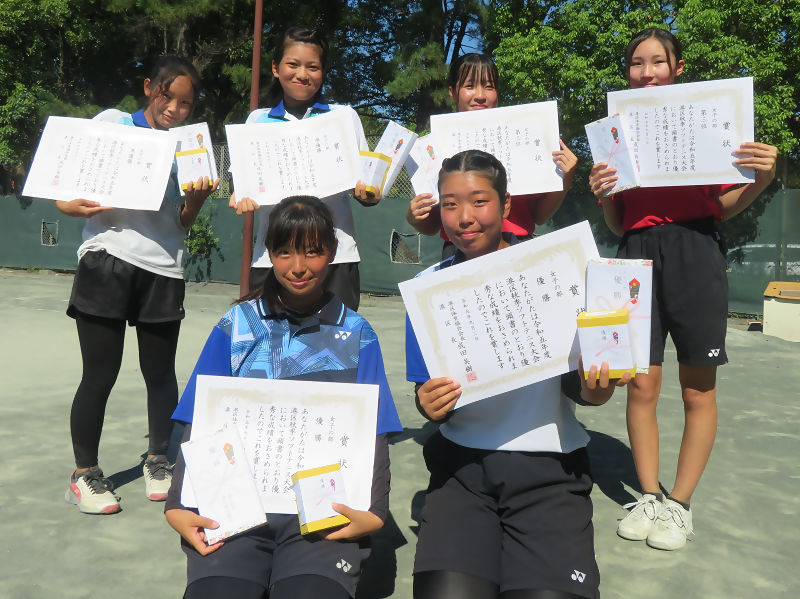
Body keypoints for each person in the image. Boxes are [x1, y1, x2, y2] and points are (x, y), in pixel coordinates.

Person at [407, 149, 631, 599]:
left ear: (507, 205)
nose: (463, 217)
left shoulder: (554, 270)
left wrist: (596, 388)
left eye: (479, 201)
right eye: (449, 204)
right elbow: (427, 391)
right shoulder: (429, 289)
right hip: (460, 472)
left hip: (550, 472)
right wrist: (426, 403)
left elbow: (581, 385)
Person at [588, 27, 778, 551]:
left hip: (696, 251)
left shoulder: (710, 121)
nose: (645, 72)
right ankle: (647, 496)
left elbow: (725, 204)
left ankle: (680, 504)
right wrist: (603, 191)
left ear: (678, 67)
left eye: (657, 62)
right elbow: (618, 218)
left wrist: (761, 178)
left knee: (697, 388)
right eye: (635, 63)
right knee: (641, 384)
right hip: (636, 254)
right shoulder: (614, 134)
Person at [165, 196, 403, 599]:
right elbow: (199, 421)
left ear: (332, 253)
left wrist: (376, 512)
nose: (297, 266)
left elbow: (372, 432)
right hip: (234, 510)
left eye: (313, 251)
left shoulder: (359, 334)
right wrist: (177, 503)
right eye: (284, 251)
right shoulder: (237, 325)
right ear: (269, 254)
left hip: (323, 517)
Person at [56, 56, 220, 515]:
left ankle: (158, 459)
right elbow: (63, 191)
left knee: (160, 374)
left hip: (163, 268)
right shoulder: (112, 124)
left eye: (186, 103)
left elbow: (182, 222)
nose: (175, 108)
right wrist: (77, 208)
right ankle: (84, 473)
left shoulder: (190, 147)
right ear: (150, 87)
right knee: (100, 374)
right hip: (107, 260)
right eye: (168, 96)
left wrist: (199, 199)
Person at [231, 26, 380, 311]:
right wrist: (241, 196)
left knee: (335, 349)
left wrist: (368, 194)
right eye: (293, 64)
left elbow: (367, 190)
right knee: (268, 350)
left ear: (323, 71)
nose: (302, 74)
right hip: (271, 257)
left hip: (335, 258)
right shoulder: (256, 121)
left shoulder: (344, 117)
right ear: (276, 68)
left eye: (313, 66)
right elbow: (242, 187)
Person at [405, 53, 578, 260]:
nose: (480, 95)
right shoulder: (433, 148)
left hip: (516, 247)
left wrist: (565, 179)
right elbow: (432, 226)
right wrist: (414, 217)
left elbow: (539, 216)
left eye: (489, 86)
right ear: (452, 92)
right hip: (460, 250)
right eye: (470, 86)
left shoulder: (523, 138)